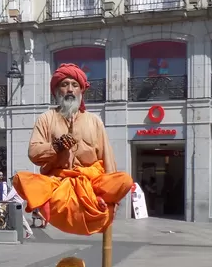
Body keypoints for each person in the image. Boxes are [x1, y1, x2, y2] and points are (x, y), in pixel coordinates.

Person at [13, 63, 132, 235]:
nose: (70, 89)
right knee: (20, 179)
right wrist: (56, 146)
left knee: (125, 179)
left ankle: (98, 199)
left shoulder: (94, 120)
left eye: (74, 85)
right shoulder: (46, 119)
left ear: (81, 91)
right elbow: (33, 153)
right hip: (58, 181)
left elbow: (107, 157)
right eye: (64, 84)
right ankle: (48, 201)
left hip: (91, 182)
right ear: (56, 91)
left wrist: (110, 190)